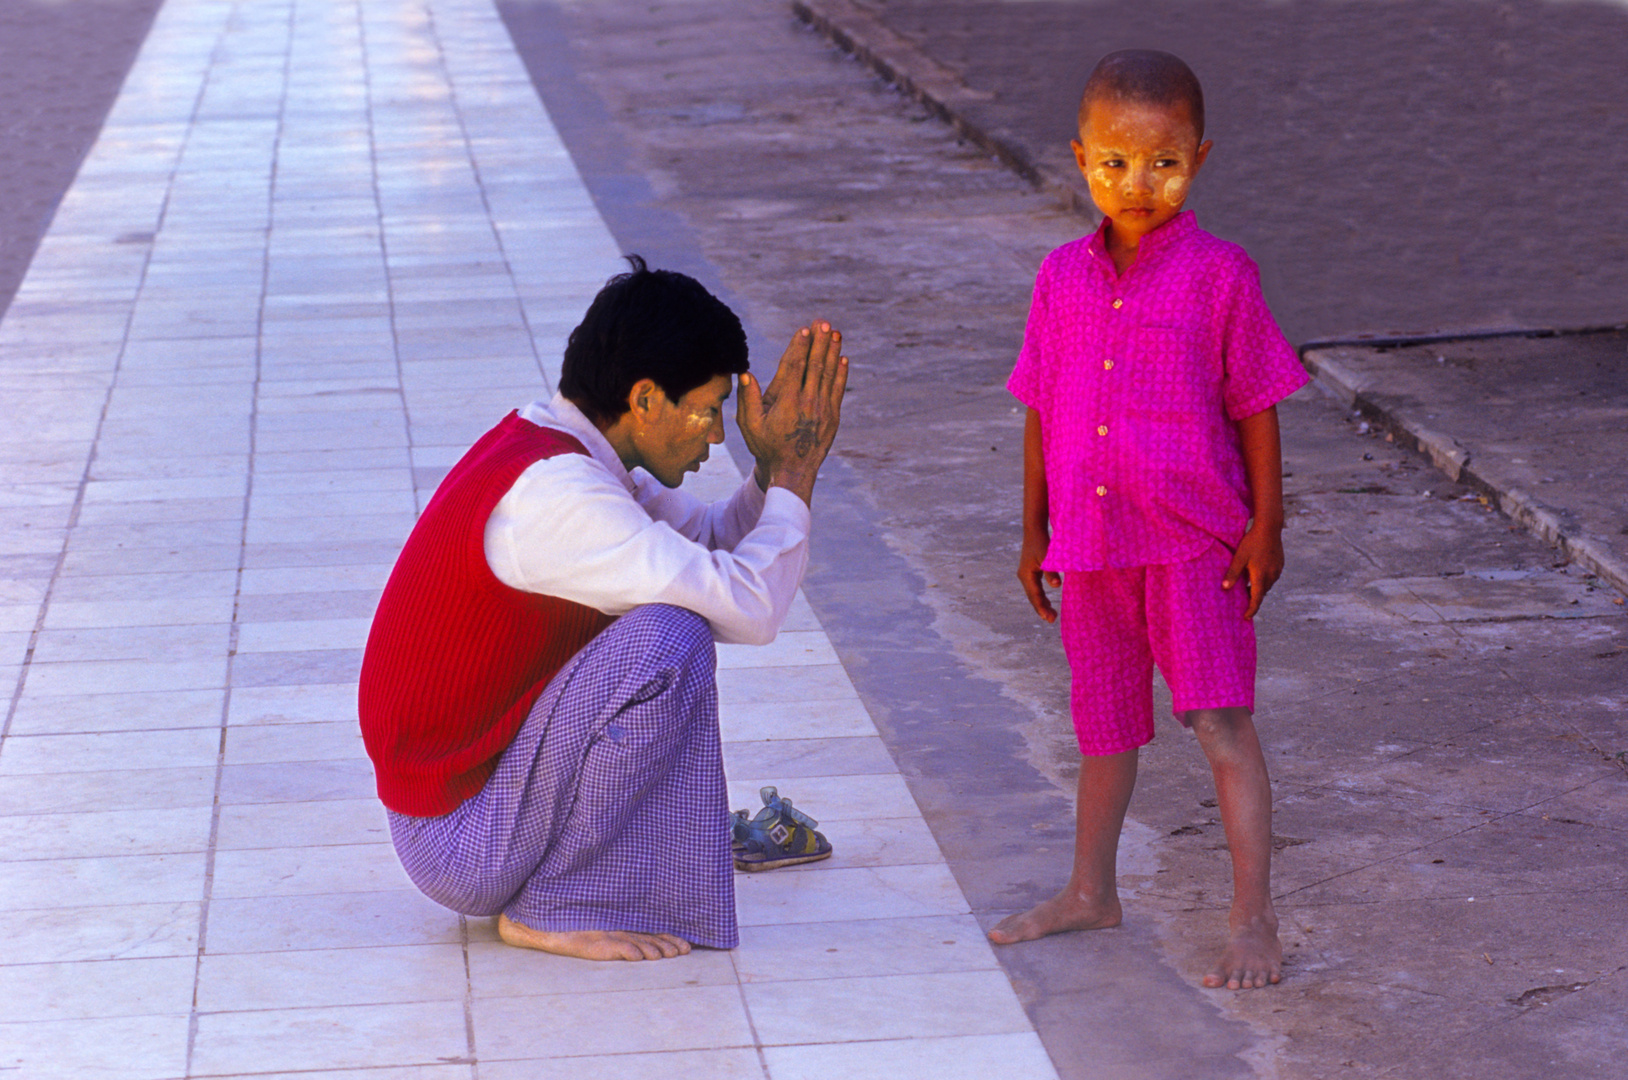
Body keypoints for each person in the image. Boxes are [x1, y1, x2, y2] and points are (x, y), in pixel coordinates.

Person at [359, 256, 847, 962]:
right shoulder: (560, 499)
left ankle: (574, 883)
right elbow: (750, 607)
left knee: (671, 614)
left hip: (469, 810)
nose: (716, 438)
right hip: (458, 840)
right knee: (668, 638)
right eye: (708, 412)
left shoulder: (568, 456)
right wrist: (797, 474)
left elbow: (708, 542)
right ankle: (555, 904)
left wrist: (774, 471)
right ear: (646, 400)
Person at [990, 50, 1309, 991]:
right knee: (1103, 732)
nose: (1139, 184)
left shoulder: (1221, 276)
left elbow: (1257, 403)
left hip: (1192, 547)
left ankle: (1253, 918)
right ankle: (1091, 890)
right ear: (1081, 157)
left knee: (1220, 725)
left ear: (1199, 160)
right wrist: (1031, 531)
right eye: (1115, 163)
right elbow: (1041, 407)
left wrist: (1267, 526)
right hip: (1090, 550)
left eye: (1164, 163)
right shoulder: (1060, 278)